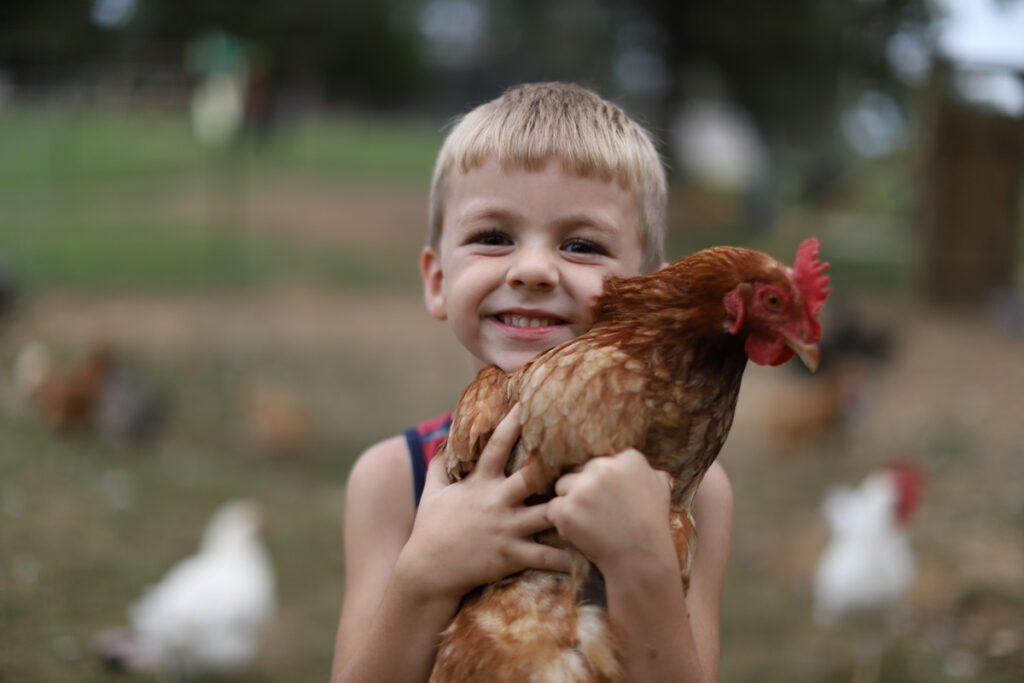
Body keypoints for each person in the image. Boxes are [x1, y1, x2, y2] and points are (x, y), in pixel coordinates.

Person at [331, 82, 734, 683]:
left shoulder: (689, 488)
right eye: (493, 237)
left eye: (581, 245)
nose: (535, 270)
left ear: (646, 289)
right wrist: (425, 574)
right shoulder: (395, 479)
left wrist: (642, 561)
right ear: (438, 279)